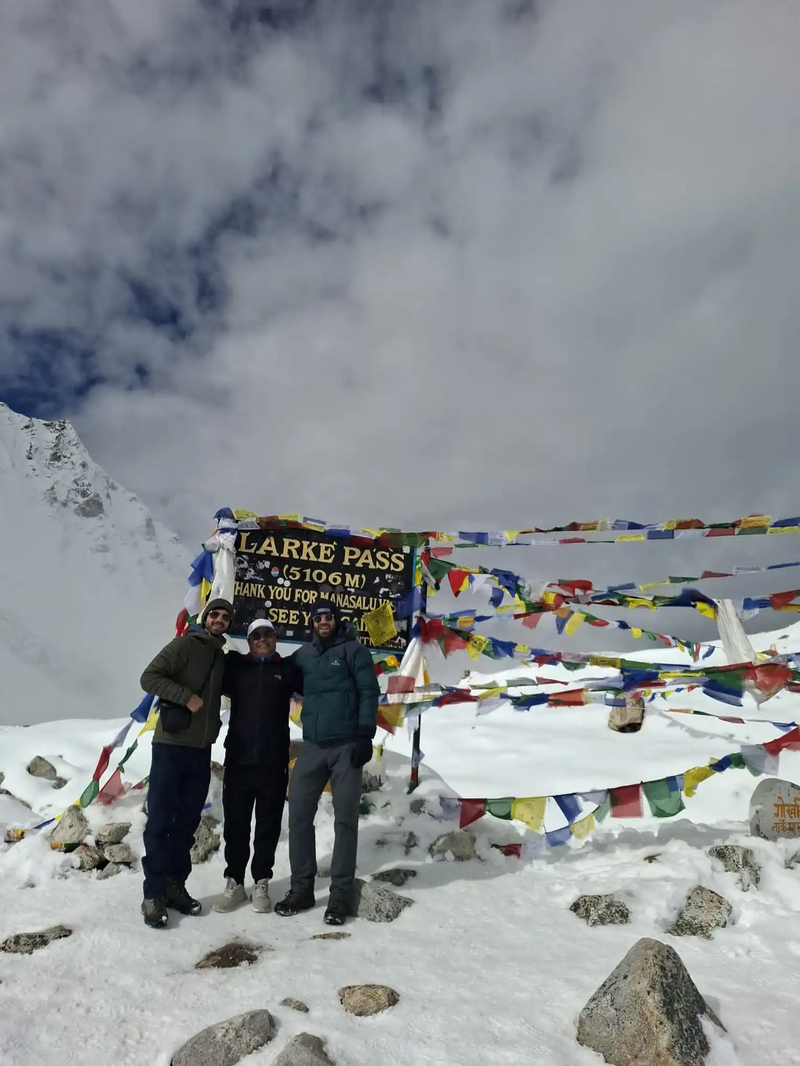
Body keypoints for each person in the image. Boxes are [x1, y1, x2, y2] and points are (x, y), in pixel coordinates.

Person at [275, 598, 379, 925]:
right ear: (312, 622)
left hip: (347, 745)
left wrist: (365, 735)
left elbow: (369, 692)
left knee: (345, 819)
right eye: (318, 618)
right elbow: (277, 676)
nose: (323, 622)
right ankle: (302, 889)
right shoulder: (304, 655)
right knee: (299, 816)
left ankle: (339, 895)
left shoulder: (354, 651)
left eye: (328, 617)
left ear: (336, 620)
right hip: (313, 746)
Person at [139, 598, 233, 929]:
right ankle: (152, 894)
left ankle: (174, 886)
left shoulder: (221, 657)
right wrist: (185, 696)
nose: (219, 619)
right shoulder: (184, 645)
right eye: (215, 614)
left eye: (225, 616)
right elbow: (149, 677)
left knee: (187, 823)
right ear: (205, 618)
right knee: (160, 821)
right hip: (170, 745)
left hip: (200, 750)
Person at [213, 617, 302, 915]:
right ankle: (235, 882)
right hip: (238, 760)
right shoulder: (236, 667)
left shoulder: (287, 670)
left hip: (273, 762)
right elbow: (211, 660)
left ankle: (261, 880)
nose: (262, 639)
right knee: (236, 825)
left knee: (268, 825)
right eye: (256, 636)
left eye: (268, 634)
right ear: (249, 640)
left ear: (275, 638)